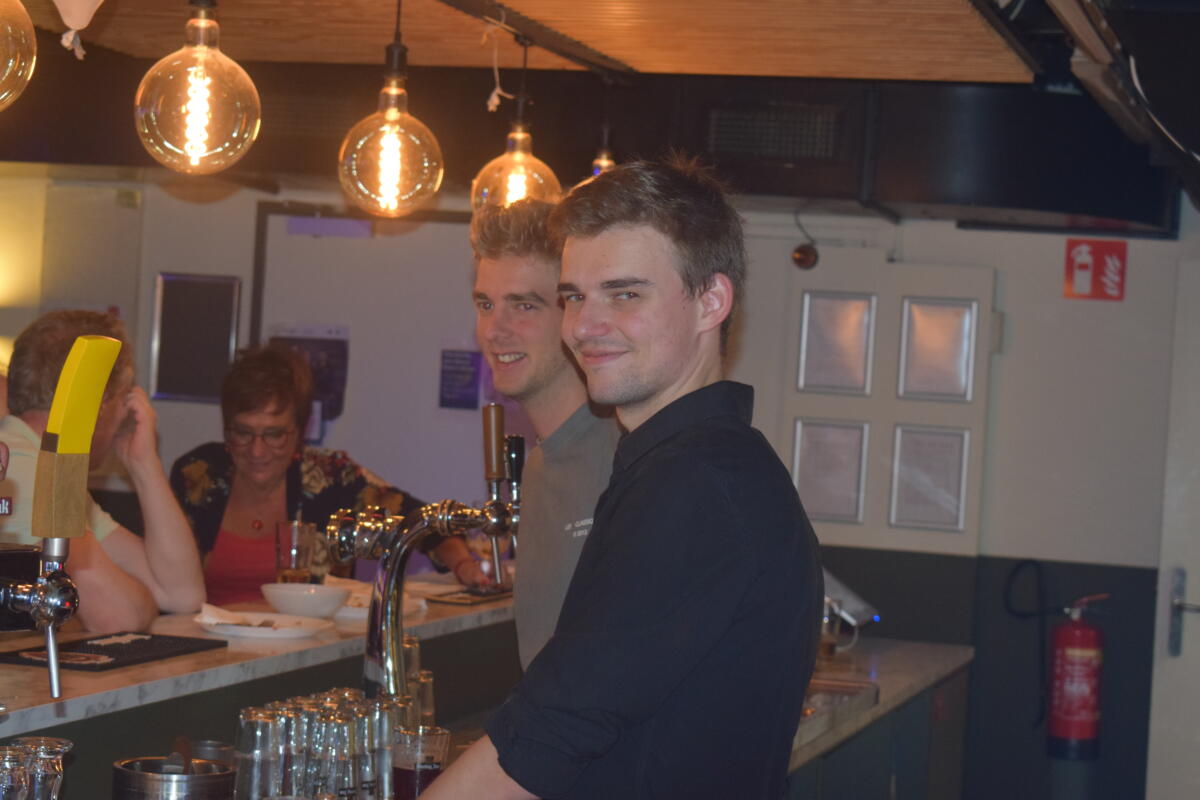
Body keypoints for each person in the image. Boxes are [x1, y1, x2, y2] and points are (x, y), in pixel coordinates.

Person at [425, 158, 824, 800]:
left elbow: (552, 730)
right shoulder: (691, 466)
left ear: (711, 302)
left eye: (625, 294)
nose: (584, 326)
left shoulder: (695, 485)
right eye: (574, 297)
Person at [169, 345, 485, 606]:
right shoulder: (197, 475)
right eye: (242, 433)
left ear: (300, 431)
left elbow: (421, 522)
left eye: (274, 435)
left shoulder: (329, 477)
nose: (257, 450)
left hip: (308, 647)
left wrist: (464, 565)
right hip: (211, 643)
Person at [471, 199, 622, 670]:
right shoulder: (539, 467)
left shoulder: (625, 456)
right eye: (485, 305)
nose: (494, 331)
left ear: (574, 315)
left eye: (524, 305)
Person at [0, 311, 206, 632]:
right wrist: (142, 600)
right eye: (123, 399)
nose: (124, 414)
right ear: (98, 405)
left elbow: (182, 595)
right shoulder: (28, 470)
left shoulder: (36, 456)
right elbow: (118, 618)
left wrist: (143, 465)